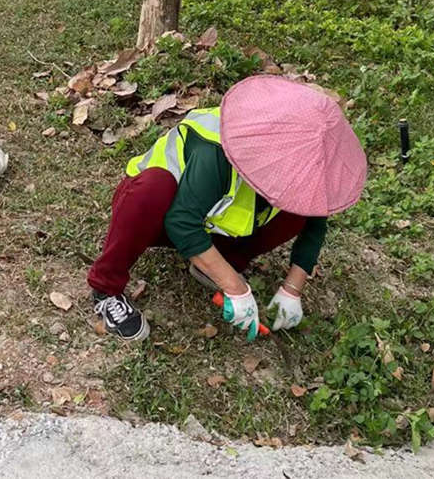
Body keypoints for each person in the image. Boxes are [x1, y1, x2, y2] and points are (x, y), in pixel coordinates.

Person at [87, 75, 368, 342]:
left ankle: (219, 263)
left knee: (299, 211)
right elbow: (181, 221)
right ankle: (106, 289)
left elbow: (315, 221)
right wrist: (236, 287)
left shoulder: (306, 168)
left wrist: (292, 290)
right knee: (152, 187)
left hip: (209, 223)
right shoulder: (216, 149)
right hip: (155, 216)